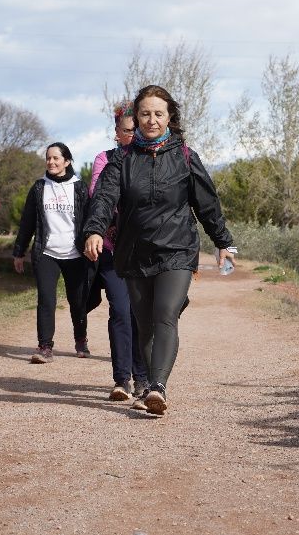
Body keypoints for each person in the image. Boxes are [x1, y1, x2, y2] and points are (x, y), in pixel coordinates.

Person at [83, 85, 235, 415]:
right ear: (135, 118)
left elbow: (208, 205)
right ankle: (151, 386)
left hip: (177, 249)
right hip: (134, 252)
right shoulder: (121, 160)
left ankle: (158, 387)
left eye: (158, 113)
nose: (151, 120)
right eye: (145, 113)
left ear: (170, 117)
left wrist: (224, 242)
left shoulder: (184, 157)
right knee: (145, 323)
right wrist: (94, 230)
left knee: (165, 312)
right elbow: (104, 199)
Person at [88, 102, 149, 401]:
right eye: (127, 131)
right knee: (121, 310)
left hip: (146, 252)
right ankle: (122, 379)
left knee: (143, 314)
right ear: (116, 133)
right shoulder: (105, 159)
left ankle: (143, 378)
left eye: (136, 130)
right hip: (113, 250)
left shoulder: (153, 159)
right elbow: (99, 196)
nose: (133, 136)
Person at [12, 142, 92, 363]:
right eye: (48, 158)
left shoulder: (80, 187)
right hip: (46, 252)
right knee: (46, 299)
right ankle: (45, 346)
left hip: (75, 253)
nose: (51, 162)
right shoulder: (39, 187)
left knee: (77, 301)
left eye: (56, 158)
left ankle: (81, 338)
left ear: (67, 161)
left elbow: (89, 221)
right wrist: (19, 252)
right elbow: (27, 221)